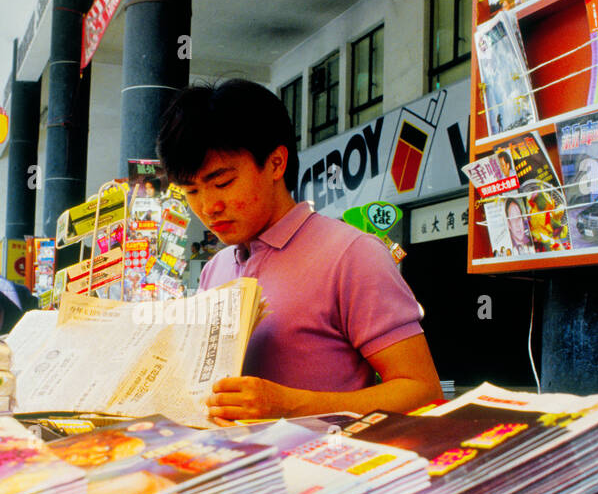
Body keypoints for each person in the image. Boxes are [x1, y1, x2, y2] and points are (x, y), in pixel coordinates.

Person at [157, 79, 441, 423]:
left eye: (222, 183)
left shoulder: (351, 255)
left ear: (276, 163)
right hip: (228, 468)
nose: (208, 206)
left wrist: (288, 405)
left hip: (328, 470)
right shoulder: (215, 270)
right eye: (191, 191)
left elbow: (422, 391)